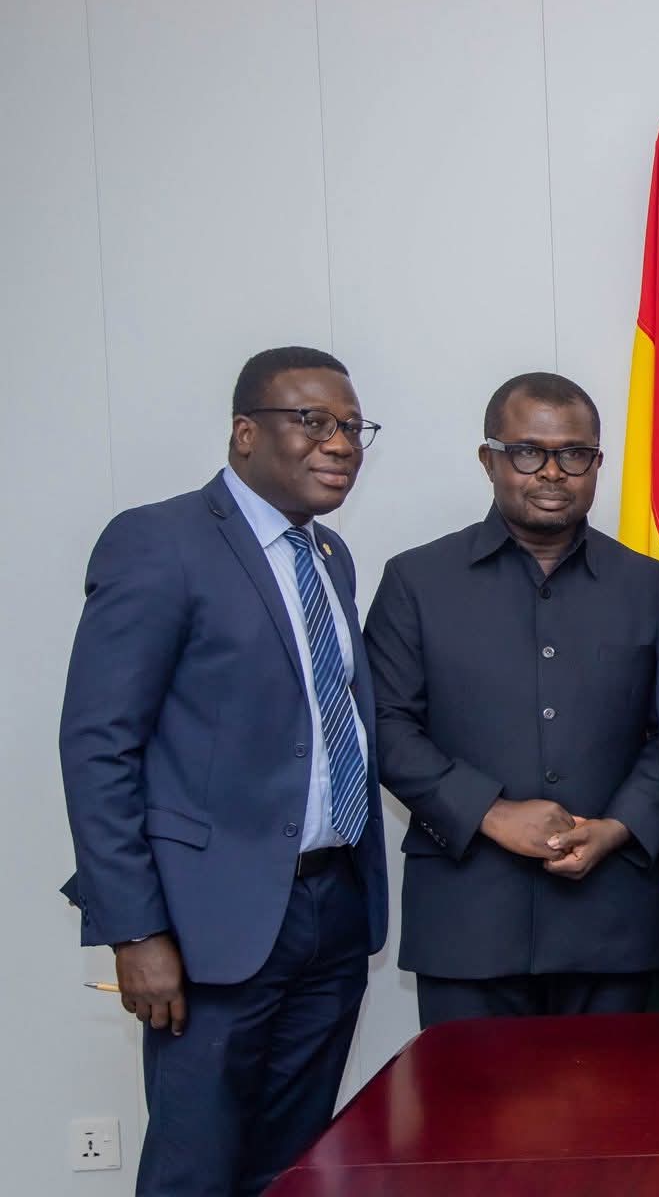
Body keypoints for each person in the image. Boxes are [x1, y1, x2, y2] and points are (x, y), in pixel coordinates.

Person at [58, 347, 387, 1195]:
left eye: (353, 428)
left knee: (294, 1168)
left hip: (331, 910)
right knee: (196, 1171)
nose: (340, 443)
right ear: (245, 432)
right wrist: (135, 932)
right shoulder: (160, 542)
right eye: (313, 421)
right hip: (208, 927)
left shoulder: (329, 557)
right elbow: (98, 746)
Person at [365, 373, 659, 1026]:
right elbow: (384, 725)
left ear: (598, 463)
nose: (552, 472)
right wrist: (491, 812)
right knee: (468, 1098)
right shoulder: (418, 581)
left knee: (616, 1098)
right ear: (490, 459)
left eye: (574, 454)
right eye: (529, 452)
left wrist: (619, 826)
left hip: (612, 917)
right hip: (467, 918)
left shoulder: (651, 586)